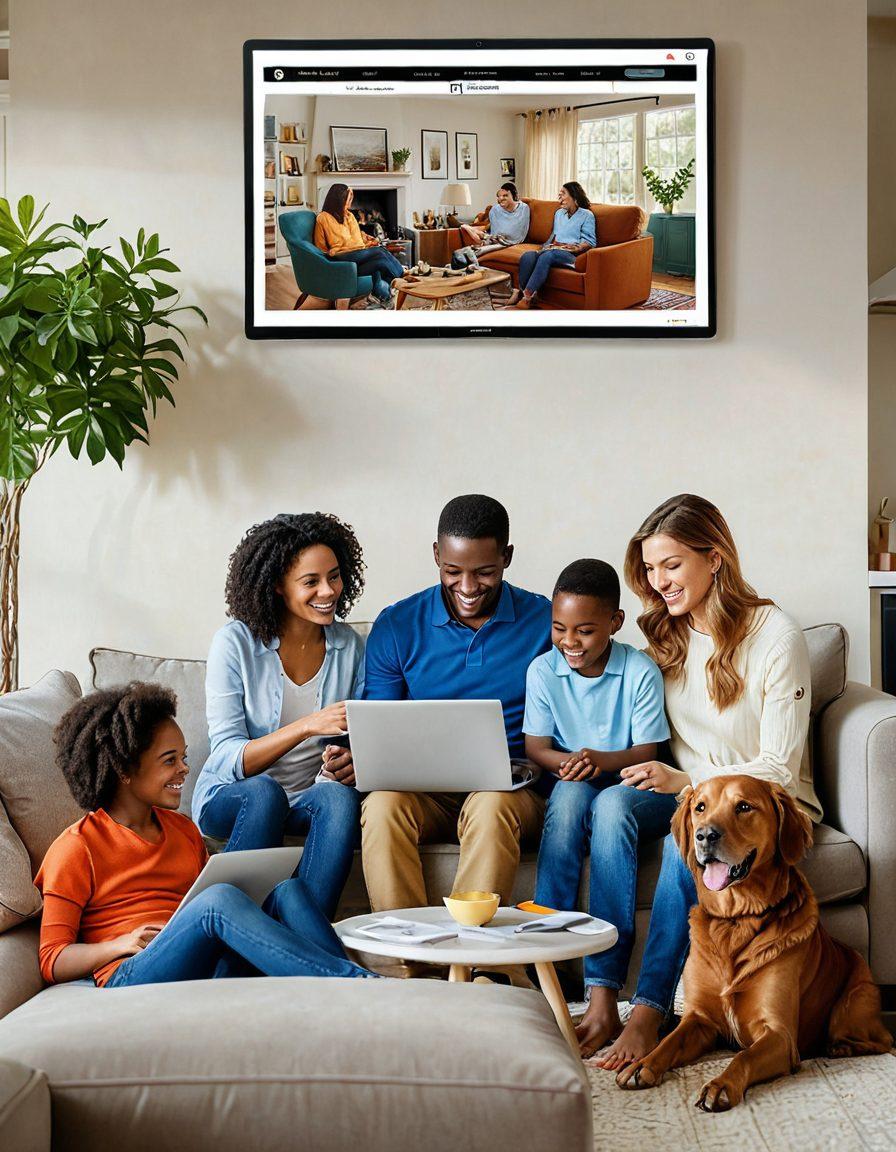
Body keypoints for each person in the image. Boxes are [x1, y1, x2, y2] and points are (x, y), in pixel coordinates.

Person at [582, 493, 821, 1067]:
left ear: (714, 558)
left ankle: (649, 1009)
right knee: (612, 807)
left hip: (762, 805)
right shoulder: (667, 638)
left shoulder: (775, 635)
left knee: (682, 846)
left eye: (672, 565)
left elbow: (779, 767)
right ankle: (600, 995)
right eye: (649, 569)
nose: (658, 581)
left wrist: (688, 784)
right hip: (686, 792)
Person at [36, 684, 376, 989]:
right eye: (170, 761)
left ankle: (346, 978)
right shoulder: (76, 847)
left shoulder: (182, 829)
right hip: (132, 972)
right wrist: (120, 943)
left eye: (183, 758)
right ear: (123, 770)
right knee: (217, 901)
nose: (185, 769)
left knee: (288, 890)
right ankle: (355, 982)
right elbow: (53, 959)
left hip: (203, 961)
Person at [323, 494, 552, 912]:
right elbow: (380, 724)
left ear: (507, 557)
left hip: (511, 793)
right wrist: (357, 758)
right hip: (424, 795)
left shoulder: (547, 624)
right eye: (453, 571)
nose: (467, 588)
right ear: (436, 556)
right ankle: (403, 967)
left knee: (491, 804)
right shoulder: (398, 624)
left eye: (484, 572)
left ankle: (474, 966)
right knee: (382, 806)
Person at [191, 513, 365, 920]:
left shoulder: (349, 646)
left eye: (335, 576)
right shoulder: (234, 643)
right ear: (276, 586)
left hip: (309, 795)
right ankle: (227, 925)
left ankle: (301, 933)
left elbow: (355, 736)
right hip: (233, 794)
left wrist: (349, 762)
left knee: (340, 799)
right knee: (264, 792)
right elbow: (229, 757)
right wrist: (307, 725)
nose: (329, 591)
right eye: (311, 582)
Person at [527, 559, 670, 998]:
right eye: (559, 628)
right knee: (569, 798)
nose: (569, 642)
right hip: (575, 780)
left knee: (605, 804)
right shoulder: (543, 671)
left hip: (634, 786)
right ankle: (544, 954)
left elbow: (647, 754)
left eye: (584, 631)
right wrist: (567, 763)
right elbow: (537, 748)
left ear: (615, 622)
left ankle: (602, 980)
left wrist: (599, 759)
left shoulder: (639, 671)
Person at [501, 182, 596, 310]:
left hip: (572, 254)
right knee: (528, 256)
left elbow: (590, 241)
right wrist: (544, 247)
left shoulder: (586, 215)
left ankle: (526, 297)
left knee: (547, 256)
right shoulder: (559, 213)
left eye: (563, 194)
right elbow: (554, 235)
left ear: (574, 196)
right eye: (559, 195)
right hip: (554, 249)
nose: (559, 198)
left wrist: (576, 248)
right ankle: (523, 292)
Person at [313, 183, 405, 308]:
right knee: (379, 252)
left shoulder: (349, 216)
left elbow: (357, 239)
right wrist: (329, 258)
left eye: (351, 199)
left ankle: (386, 296)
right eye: (348, 200)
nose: (350, 204)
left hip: (357, 254)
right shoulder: (323, 218)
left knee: (380, 262)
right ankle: (403, 278)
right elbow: (320, 247)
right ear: (338, 200)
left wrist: (369, 242)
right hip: (340, 256)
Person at [451, 183, 531, 267]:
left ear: (514, 195)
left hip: (504, 241)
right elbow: (495, 231)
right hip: (493, 237)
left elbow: (515, 233)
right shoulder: (495, 209)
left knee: (478, 240)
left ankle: (470, 254)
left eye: (505, 195)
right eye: (499, 196)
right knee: (466, 229)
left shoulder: (523, 209)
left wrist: (498, 236)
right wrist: (492, 235)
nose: (501, 198)